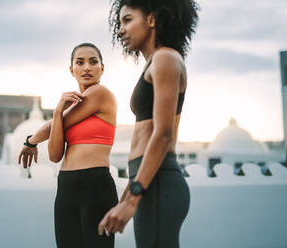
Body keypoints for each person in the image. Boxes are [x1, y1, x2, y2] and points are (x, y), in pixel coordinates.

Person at [98, 0, 199, 247]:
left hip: (159, 181)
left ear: (152, 19)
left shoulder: (166, 58)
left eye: (128, 19)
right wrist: (128, 195)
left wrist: (133, 199)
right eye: (119, 23)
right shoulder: (156, 62)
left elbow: (163, 134)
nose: (120, 30)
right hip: (150, 181)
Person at [18, 43, 118, 248]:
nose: (87, 68)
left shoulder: (101, 93)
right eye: (80, 63)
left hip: (95, 185)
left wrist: (31, 141)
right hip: (66, 187)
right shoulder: (69, 108)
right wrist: (56, 112)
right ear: (72, 70)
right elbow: (55, 156)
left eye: (93, 62)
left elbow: (56, 124)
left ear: (102, 68)